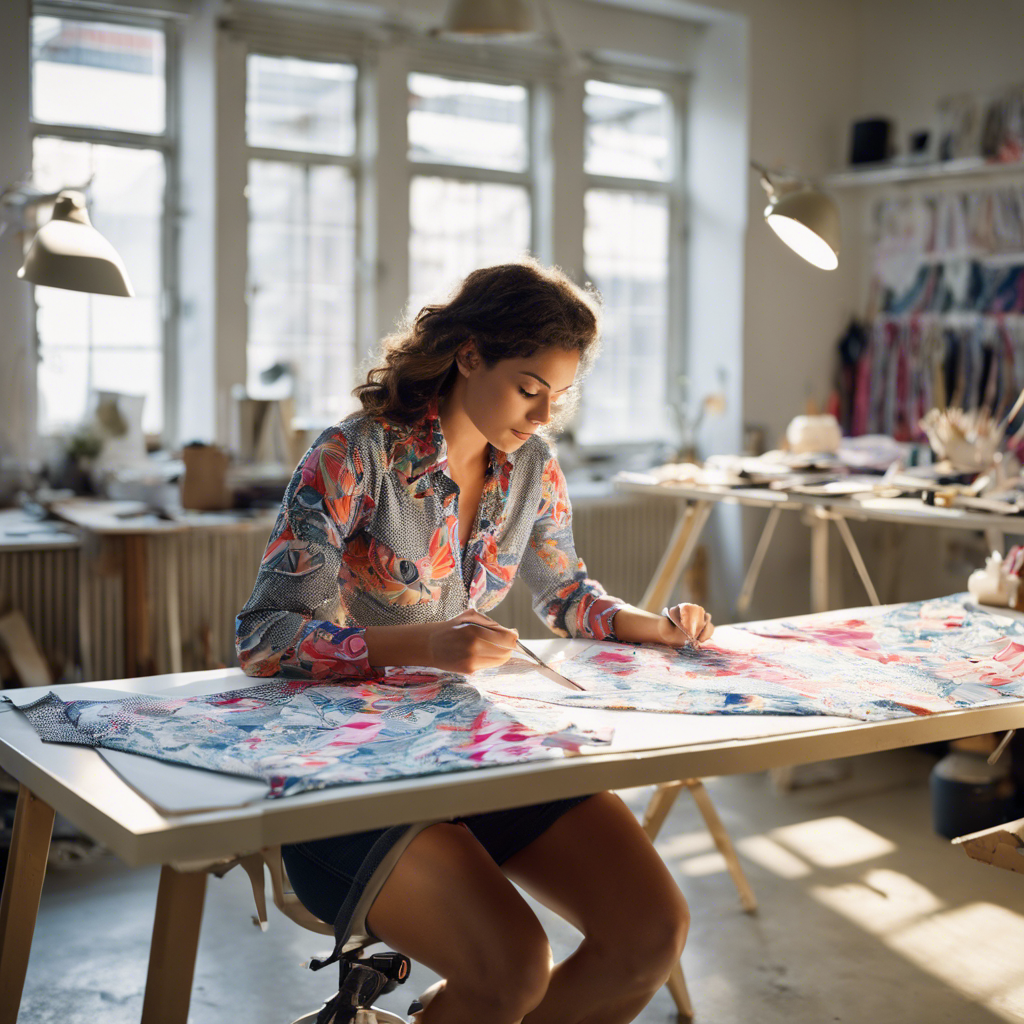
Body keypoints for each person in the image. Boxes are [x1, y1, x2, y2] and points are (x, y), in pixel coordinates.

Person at [235, 259, 714, 1024]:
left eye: (558, 396)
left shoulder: (533, 470)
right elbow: (266, 636)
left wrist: (651, 624)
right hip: (350, 769)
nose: (542, 414)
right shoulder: (352, 455)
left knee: (650, 933)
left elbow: (567, 596)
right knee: (513, 965)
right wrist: (423, 644)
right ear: (468, 355)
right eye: (530, 389)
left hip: (468, 747)